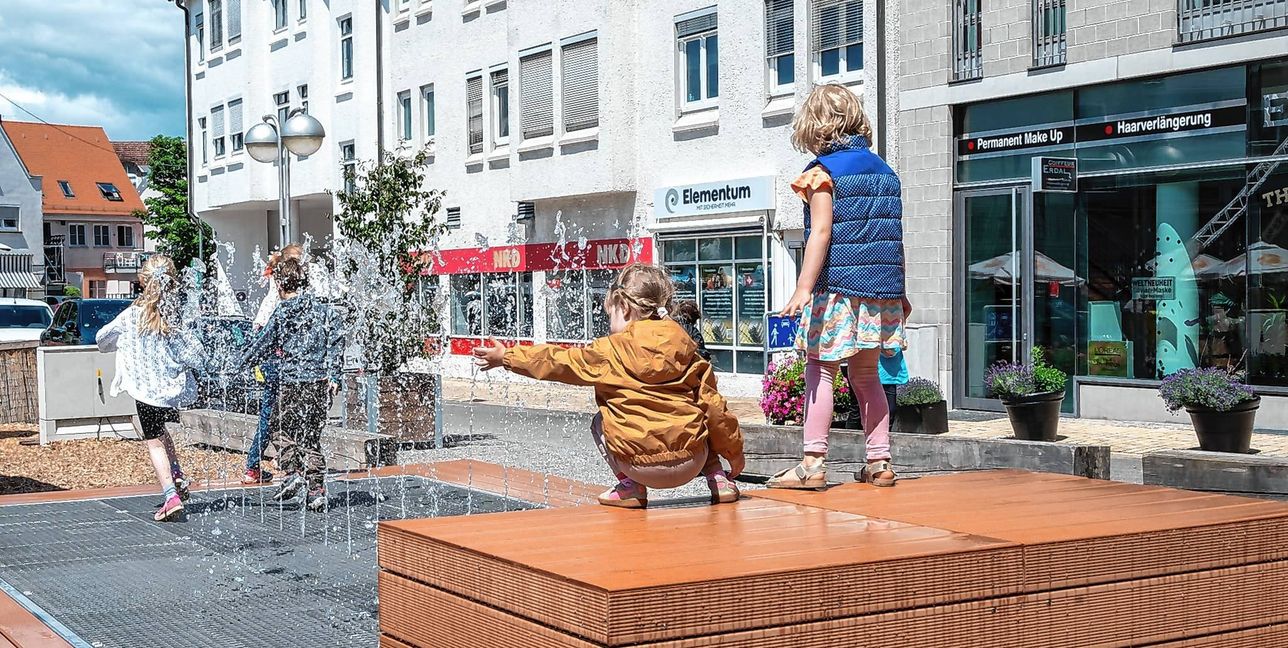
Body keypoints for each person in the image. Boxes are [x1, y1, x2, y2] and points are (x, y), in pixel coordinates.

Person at [472, 263, 745, 509]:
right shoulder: (687, 349)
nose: (609, 321)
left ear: (624, 308)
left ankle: (631, 487)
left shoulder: (608, 351)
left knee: (599, 421)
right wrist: (734, 455)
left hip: (639, 465)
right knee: (701, 412)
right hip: (691, 462)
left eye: (610, 313)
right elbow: (716, 410)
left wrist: (506, 357)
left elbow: (557, 361)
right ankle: (718, 480)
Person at [768, 83, 910, 490]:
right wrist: (900, 294)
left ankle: (812, 463)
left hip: (838, 291)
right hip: (880, 294)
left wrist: (802, 288)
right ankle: (880, 461)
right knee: (867, 377)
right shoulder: (886, 171)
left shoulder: (821, 174)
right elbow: (892, 238)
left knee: (820, 371)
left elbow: (821, 231)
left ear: (816, 128)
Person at [96, 256, 207, 522]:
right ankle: (177, 475)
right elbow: (196, 356)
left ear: (142, 282)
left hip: (145, 392)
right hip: (168, 392)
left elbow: (102, 338)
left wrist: (121, 344)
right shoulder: (175, 318)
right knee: (162, 432)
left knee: (154, 443)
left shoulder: (132, 315)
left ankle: (170, 496)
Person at [239, 258, 345, 512]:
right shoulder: (322, 309)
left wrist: (240, 362)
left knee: (276, 427)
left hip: (292, 381)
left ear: (279, 284)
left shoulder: (283, 311)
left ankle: (292, 472)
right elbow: (337, 338)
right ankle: (317, 490)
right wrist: (334, 375)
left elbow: (263, 343)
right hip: (318, 382)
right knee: (311, 436)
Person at [242, 244, 305, 485]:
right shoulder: (282, 297)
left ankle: (279, 464)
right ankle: (267, 465)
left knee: (277, 412)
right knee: (274, 413)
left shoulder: (278, 289)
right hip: (277, 361)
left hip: (276, 359)